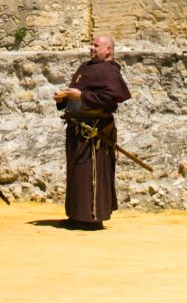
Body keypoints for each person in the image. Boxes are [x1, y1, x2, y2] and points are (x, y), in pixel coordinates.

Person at [55, 33, 131, 229]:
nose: (91, 48)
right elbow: (79, 94)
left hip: (94, 131)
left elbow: (111, 97)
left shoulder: (109, 71)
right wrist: (64, 98)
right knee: (77, 175)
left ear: (108, 50)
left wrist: (81, 95)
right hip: (76, 129)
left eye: (96, 45)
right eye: (91, 44)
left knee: (91, 174)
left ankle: (92, 217)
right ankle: (76, 215)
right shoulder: (86, 67)